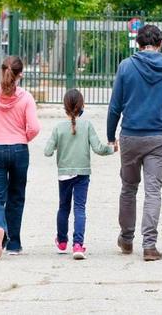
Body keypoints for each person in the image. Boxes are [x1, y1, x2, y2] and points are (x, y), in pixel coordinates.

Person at [107, 24, 162, 261]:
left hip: (130, 136)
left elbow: (115, 106)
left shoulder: (126, 66)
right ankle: (150, 245)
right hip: (156, 138)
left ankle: (127, 238)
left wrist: (111, 135)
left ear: (138, 44)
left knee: (128, 188)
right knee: (153, 191)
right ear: (160, 44)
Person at [44, 89, 114, 260]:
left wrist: (57, 147)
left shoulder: (58, 128)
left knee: (64, 207)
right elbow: (98, 148)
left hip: (64, 175)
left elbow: (47, 151)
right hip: (82, 174)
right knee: (80, 208)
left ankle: (61, 242)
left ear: (64, 107)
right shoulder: (87, 125)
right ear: (82, 106)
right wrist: (112, 148)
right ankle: (78, 244)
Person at [0, 56, 41, 260]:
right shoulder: (26, 98)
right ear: (20, 74)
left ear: (2, 72)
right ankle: (14, 244)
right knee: (16, 196)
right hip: (19, 149)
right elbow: (34, 127)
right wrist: (23, 138)